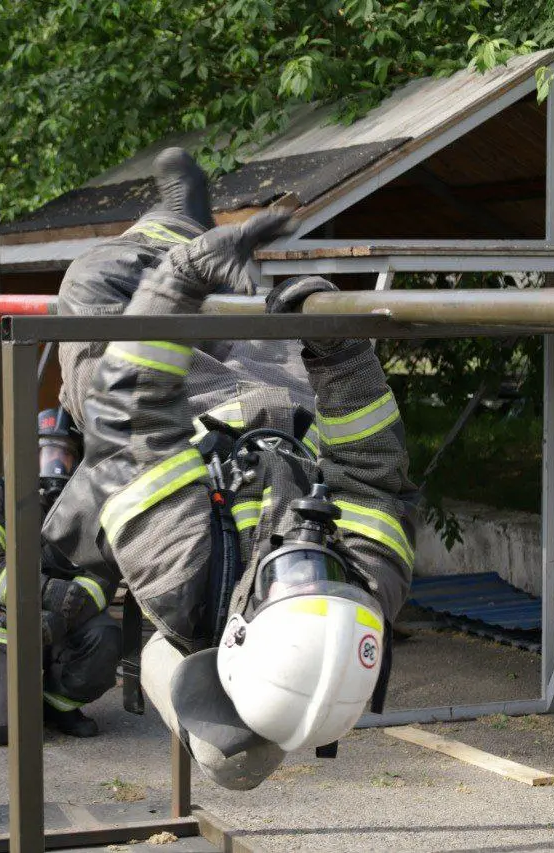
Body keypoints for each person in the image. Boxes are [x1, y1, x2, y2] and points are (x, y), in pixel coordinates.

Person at [42, 149, 418, 790]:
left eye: (286, 579)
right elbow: (373, 471)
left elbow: (135, 414)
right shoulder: (372, 587)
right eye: (325, 574)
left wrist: (184, 274)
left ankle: (174, 225)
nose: (304, 554)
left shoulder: (184, 577)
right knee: (254, 303)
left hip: (176, 402)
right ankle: (200, 247)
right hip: (281, 397)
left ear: (238, 634)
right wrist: (342, 351)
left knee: (95, 282)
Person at [0, 407, 121, 744]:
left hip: (64, 623)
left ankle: (57, 705)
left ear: (78, 460)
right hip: (2, 626)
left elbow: (104, 571)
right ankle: (8, 698)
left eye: (64, 453)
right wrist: (42, 594)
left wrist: (64, 612)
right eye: (45, 452)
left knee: (105, 635)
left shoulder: (89, 503)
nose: (55, 463)